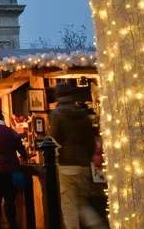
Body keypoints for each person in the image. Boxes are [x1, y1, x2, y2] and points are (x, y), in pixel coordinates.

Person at [49, 83, 105, 229]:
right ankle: (98, 225)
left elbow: (54, 138)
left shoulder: (57, 114)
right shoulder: (83, 114)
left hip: (67, 164)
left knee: (69, 205)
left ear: (58, 95)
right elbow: (91, 138)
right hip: (84, 164)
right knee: (81, 201)